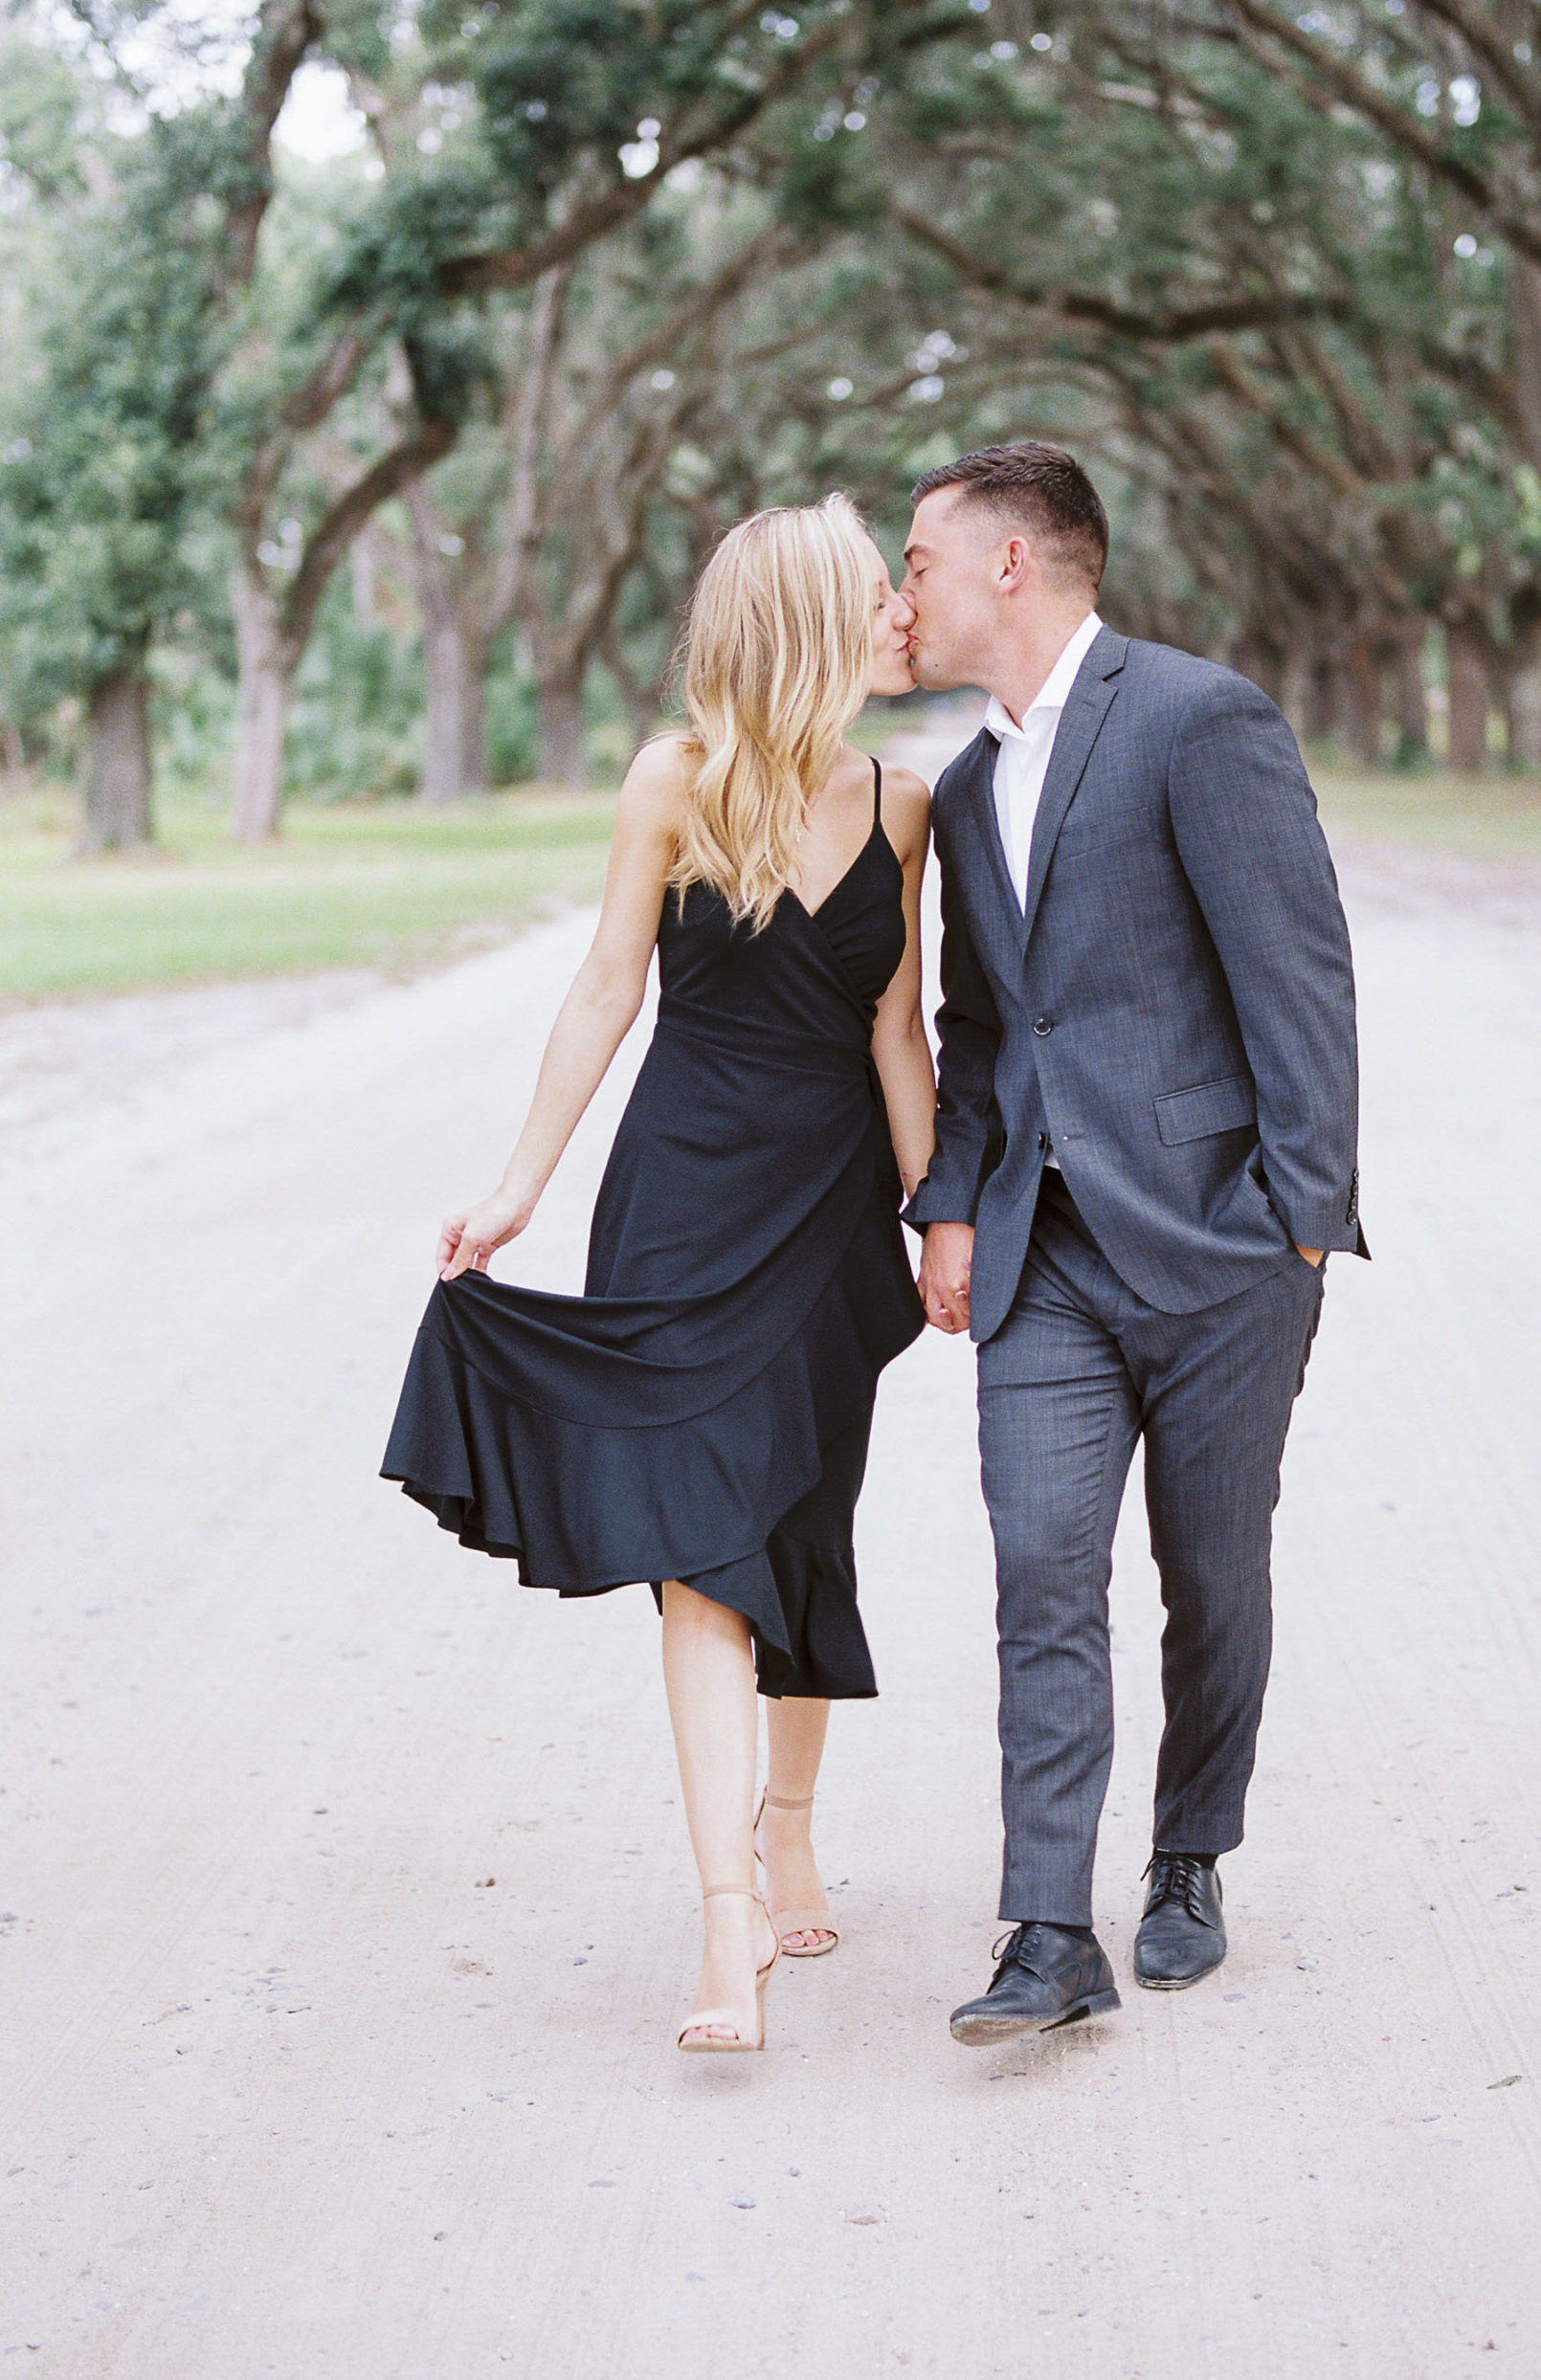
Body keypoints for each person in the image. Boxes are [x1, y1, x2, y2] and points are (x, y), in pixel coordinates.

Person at [382, 497, 933, 2053]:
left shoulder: (906, 801)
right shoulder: (673, 782)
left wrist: (935, 1212)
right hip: (683, 1204)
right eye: (875, 596)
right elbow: (606, 989)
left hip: (827, 1220)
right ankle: (725, 1922)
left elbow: (901, 1032)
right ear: (812, 621)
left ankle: (795, 1823)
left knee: (804, 1519)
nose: (902, 612)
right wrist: (514, 1189)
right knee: (702, 1549)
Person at [900, 442, 1365, 2046]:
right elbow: (979, 1029)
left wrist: (1300, 1229)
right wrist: (951, 1197)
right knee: (1040, 1567)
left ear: (1010, 565)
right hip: (1046, 1260)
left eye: (919, 561)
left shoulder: (1194, 718)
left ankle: (1188, 1860)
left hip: (1224, 1249)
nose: (908, 590)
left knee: (1211, 1578)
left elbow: (1298, 979)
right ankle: (1047, 1929)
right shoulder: (962, 790)